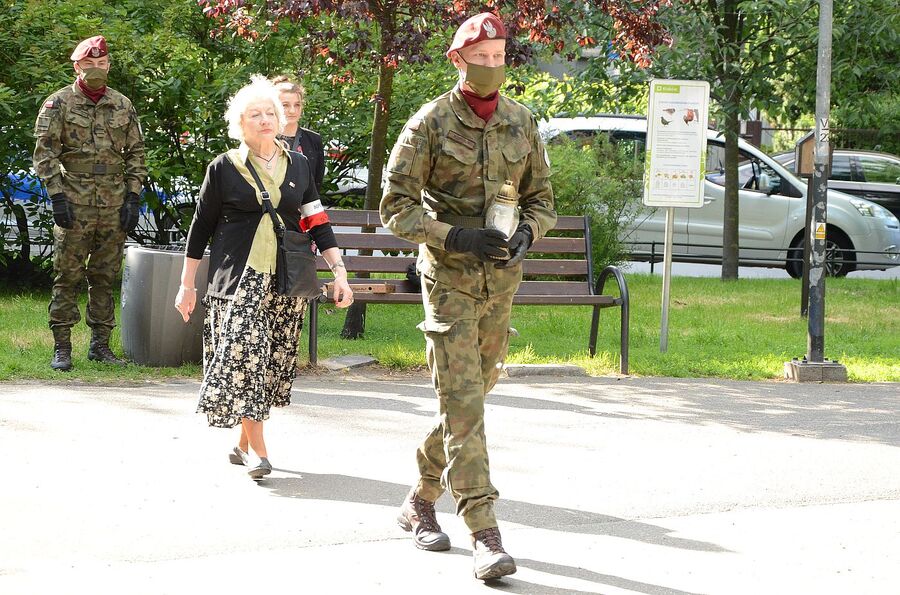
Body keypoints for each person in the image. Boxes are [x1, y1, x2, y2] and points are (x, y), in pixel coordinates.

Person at [380, 13, 557, 581]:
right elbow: (395, 208)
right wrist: (454, 236)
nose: (493, 67)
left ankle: (419, 500)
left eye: (500, 56)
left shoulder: (521, 121)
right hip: (449, 281)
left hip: (499, 285)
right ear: (458, 60)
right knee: (464, 399)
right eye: (481, 58)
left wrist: (528, 233)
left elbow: (542, 198)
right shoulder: (429, 123)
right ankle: (484, 530)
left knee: (470, 397)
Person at [174, 76, 353, 480]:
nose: (266, 118)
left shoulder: (300, 165)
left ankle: (241, 443)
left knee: (267, 366)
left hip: (286, 280)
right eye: (255, 114)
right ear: (240, 124)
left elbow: (317, 221)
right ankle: (259, 452)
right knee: (246, 357)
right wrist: (187, 285)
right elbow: (199, 230)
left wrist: (339, 272)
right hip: (239, 280)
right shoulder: (224, 167)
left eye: (270, 111)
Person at [33, 35, 147, 371]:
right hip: (74, 202)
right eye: (88, 64)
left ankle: (100, 346)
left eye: (101, 63)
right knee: (66, 275)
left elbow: (136, 154)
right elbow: (45, 155)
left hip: (113, 204)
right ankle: (62, 348)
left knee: (104, 275)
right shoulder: (58, 104)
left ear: (108, 66)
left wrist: (132, 197)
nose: (95, 68)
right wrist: (56, 197)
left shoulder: (122, 105)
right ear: (77, 66)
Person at [272, 76, 325, 195]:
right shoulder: (263, 138)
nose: (292, 110)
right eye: (285, 105)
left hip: (302, 209)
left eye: (297, 105)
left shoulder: (313, 140)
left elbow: (316, 183)